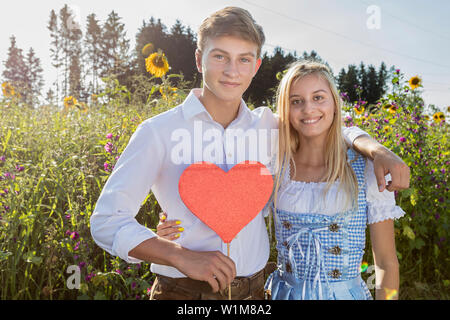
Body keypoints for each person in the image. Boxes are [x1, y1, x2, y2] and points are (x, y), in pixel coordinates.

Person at [90, 7, 409, 300]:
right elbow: (106, 221)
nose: (232, 70)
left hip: (257, 293)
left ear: (256, 66)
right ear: (199, 59)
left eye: (244, 59)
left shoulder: (268, 127)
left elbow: (322, 125)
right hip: (184, 292)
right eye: (220, 57)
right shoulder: (157, 132)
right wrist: (176, 254)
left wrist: (375, 148)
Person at [258, 60, 404, 300]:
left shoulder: (365, 167)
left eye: (318, 97)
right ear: (286, 109)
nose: (308, 109)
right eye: (296, 101)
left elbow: (387, 263)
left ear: (335, 103)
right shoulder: (276, 165)